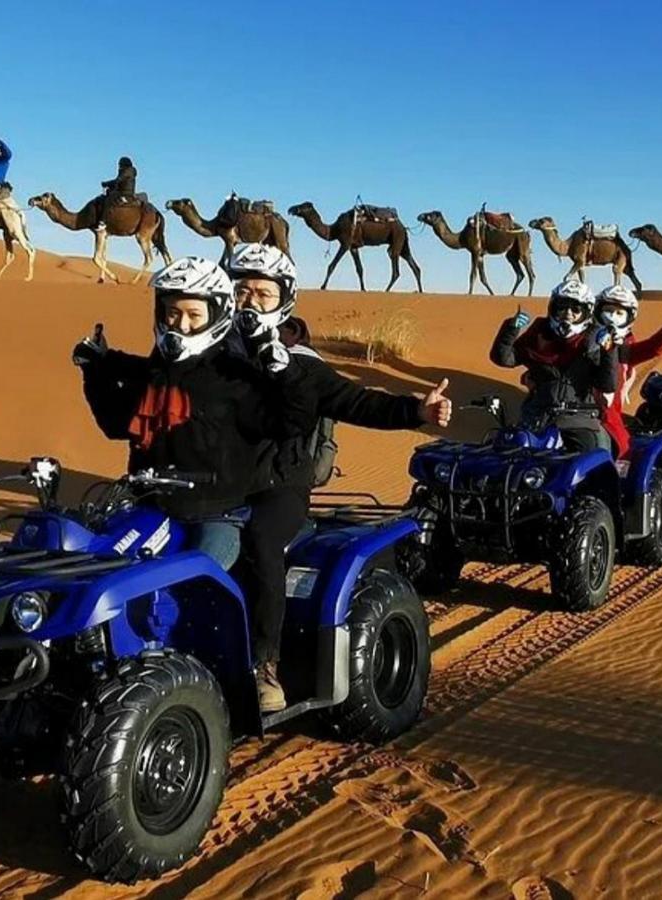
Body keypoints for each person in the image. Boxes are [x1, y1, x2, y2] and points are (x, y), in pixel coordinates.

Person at [225, 242, 452, 712]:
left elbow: (358, 402)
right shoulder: (206, 357)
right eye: (241, 290)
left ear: (283, 299)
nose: (250, 302)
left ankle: (264, 666)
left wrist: (416, 409)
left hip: (277, 486)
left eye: (262, 294)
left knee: (262, 544)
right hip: (206, 483)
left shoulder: (302, 366)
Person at [73, 255, 315, 664]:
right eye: (172, 313)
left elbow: (291, 419)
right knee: (95, 560)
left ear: (216, 315)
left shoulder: (238, 377)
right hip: (153, 506)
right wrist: (94, 373)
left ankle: (259, 666)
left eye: (192, 315)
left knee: (199, 573)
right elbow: (117, 423)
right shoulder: (158, 372)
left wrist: (283, 372)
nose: (180, 325)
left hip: (218, 514)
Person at [491, 278, 618, 453]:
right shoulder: (540, 332)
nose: (568, 313)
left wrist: (609, 352)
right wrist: (510, 329)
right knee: (507, 453)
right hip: (537, 417)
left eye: (576, 309)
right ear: (553, 308)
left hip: (579, 420)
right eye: (562, 307)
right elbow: (504, 359)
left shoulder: (594, 339)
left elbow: (607, 384)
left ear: (586, 312)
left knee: (592, 462)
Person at [593, 285, 662, 457]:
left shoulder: (625, 349)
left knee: (618, 457)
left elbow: (651, 349)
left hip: (607, 417)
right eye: (608, 310)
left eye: (619, 313)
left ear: (629, 317)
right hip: (570, 412)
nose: (612, 317)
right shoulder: (581, 340)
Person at [96, 156, 138, 231]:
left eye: (120, 164)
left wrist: (106, 183)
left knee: (108, 201)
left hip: (125, 193)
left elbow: (118, 181)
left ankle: (103, 222)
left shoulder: (127, 171)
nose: (119, 166)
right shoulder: (129, 171)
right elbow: (118, 183)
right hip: (125, 192)